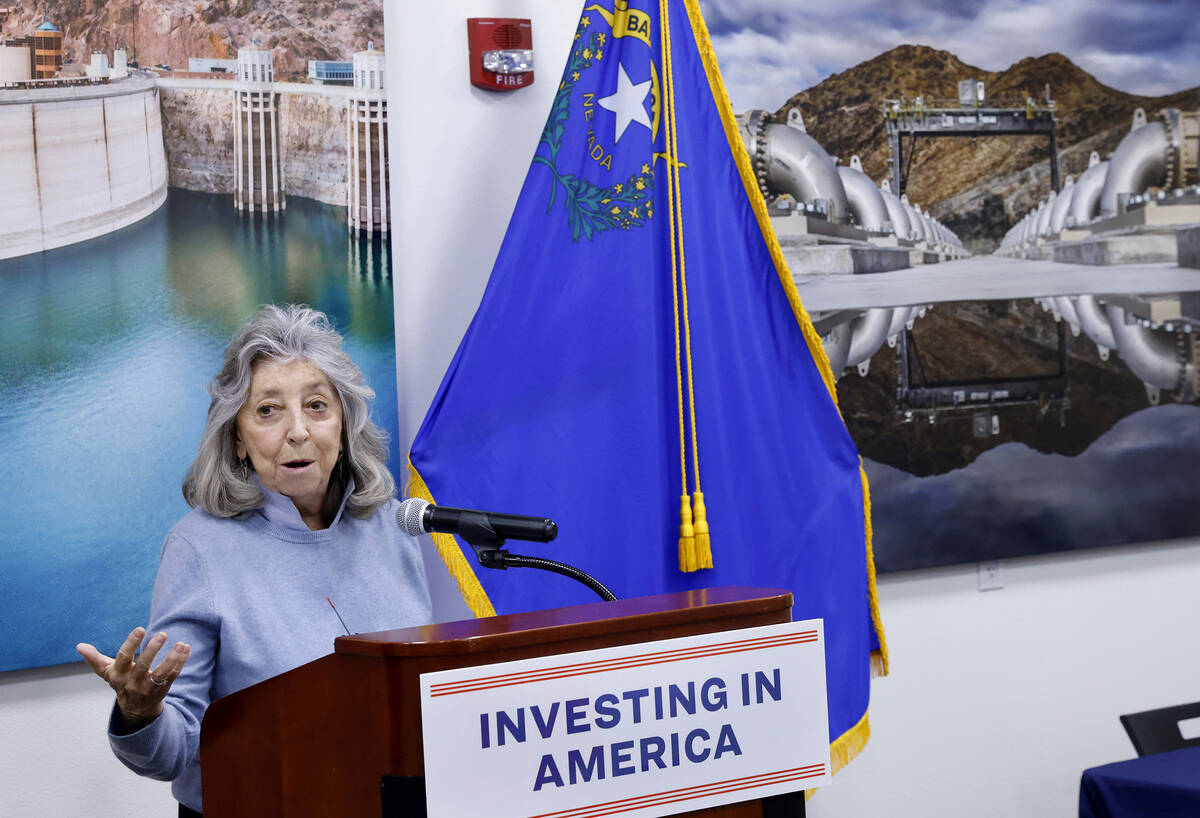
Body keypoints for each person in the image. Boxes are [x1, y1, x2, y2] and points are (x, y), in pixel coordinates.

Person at [76, 304, 432, 817]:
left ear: (344, 424)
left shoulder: (392, 525)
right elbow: (172, 753)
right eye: (268, 411)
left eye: (316, 405)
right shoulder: (199, 548)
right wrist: (141, 712)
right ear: (238, 439)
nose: (297, 431)